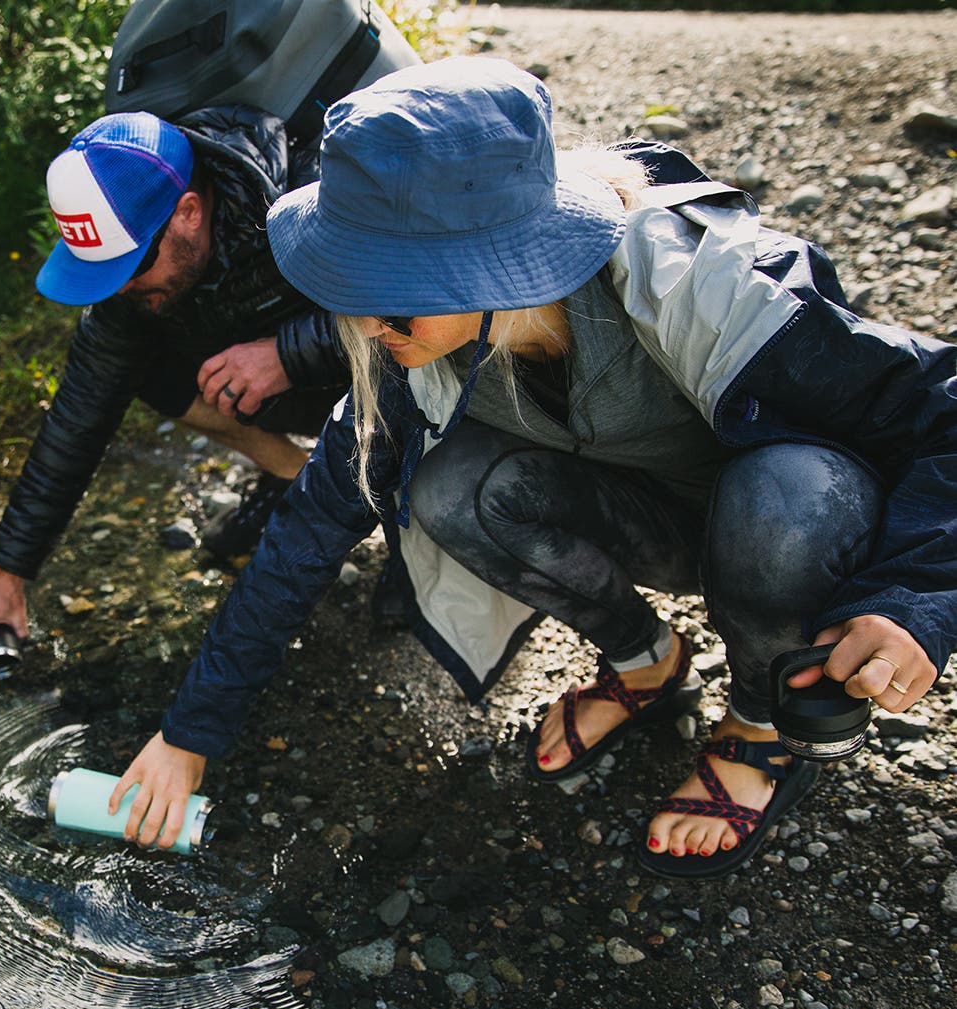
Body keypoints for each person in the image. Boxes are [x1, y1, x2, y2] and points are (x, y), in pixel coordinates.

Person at [109, 57, 957, 879]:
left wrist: (910, 602)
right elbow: (310, 526)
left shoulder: (705, 282)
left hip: (792, 534)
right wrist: (189, 736)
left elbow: (943, 412)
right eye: (350, 284)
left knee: (783, 499)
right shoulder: (408, 349)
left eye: (389, 289)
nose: (364, 325)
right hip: (660, 523)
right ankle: (647, 664)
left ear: (493, 261)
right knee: (449, 489)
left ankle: (761, 725)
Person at [0, 108, 354, 664]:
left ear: (188, 212)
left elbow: (422, 306)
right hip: (285, 384)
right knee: (145, 372)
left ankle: (398, 519)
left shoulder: (313, 191)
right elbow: (79, 416)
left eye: (131, 266)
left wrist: (287, 354)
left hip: (377, 380)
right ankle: (295, 477)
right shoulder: (135, 281)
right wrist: (8, 575)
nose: (120, 288)